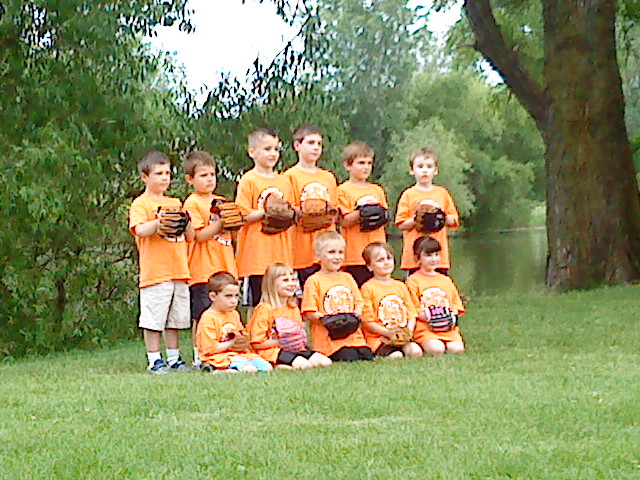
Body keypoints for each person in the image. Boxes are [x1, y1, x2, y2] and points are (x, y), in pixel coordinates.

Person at [128, 151, 194, 373]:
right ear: (144, 177)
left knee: (175, 319)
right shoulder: (141, 203)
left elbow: (190, 236)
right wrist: (158, 222)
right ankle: (154, 359)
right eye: (158, 173)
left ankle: (174, 357)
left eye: (167, 173)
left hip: (178, 269)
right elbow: (140, 230)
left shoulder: (175, 202)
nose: (164, 178)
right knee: (154, 319)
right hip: (156, 271)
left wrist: (187, 220)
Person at [183, 150, 237, 367]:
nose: (209, 180)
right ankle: (200, 353)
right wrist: (220, 222)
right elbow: (198, 235)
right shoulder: (192, 203)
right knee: (203, 313)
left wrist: (235, 222)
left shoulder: (221, 201)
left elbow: (233, 235)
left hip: (225, 265)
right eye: (203, 175)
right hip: (203, 269)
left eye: (212, 174)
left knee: (227, 311)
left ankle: (225, 348)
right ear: (190, 179)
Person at [235, 128, 294, 311]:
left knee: (281, 302)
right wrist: (265, 212)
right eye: (267, 149)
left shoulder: (284, 181)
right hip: (257, 256)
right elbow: (243, 214)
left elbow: (290, 213)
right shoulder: (249, 180)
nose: (273, 154)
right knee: (259, 304)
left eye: (276, 149)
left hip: (281, 253)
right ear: (252, 152)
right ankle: (255, 330)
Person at [301, 232, 374, 362]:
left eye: (340, 252)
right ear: (318, 256)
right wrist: (331, 321)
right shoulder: (313, 281)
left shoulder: (348, 277)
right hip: (329, 339)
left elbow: (358, 302)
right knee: (348, 356)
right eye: (331, 252)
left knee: (366, 355)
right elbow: (310, 312)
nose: (337, 257)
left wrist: (353, 317)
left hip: (353, 335)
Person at [283, 124, 338, 288]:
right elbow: (288, 212)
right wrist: (306, 213)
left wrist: (325, 214)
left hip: (327, 250)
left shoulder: (328, 177)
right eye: (311, 143)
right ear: (297, 145)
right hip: (301, 250)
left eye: (319, 144)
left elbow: (334, 211)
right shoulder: (289, 177)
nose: (316, 148)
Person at [247, 263, 332, 369]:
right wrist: (282, 342)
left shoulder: (293, 308)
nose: (292, 284)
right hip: (271, 350)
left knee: (325, 362)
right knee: (304, 365)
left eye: (293, 280)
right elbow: (256, 343)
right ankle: (277, 364)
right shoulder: (265, 309)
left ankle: (286, 363)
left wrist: (298, 341)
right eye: (285, 280)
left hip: (293, 349)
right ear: (272, 284)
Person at [395, 148, 459, 277]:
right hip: (414, 258)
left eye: (429, 166)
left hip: (438, 259)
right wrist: (417, 219)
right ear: (412, 170)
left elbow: (453, 221)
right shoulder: (408, 194)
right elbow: (401, 224)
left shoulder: (442, 193)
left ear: (435, 170)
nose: (424, 170)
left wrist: (440, 217)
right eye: (420, 166)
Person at [196, 272, 273, 373]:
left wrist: (244, 339)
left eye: (236, 296)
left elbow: (241, 335)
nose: (233, 301)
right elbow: (210, 349)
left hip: (238, 354)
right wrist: (232, 343)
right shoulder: (208, 318)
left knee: (266, 367)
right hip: (218, 356)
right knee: (249, 369)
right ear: (213, 296)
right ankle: (217, 370)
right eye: (228, 296)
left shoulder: (234, 314)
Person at [337, 141, 388, 287]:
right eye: (361, 163)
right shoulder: (342, 190)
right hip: (354, 256)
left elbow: (384, 217)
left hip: (377, 254)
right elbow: (344, 221)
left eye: (369, 163)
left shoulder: (377, 190)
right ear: (348, 165)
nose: (366, 167)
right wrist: (362, 212)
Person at [360, 242, 422, 359]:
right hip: (380, 338)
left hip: (402, 335)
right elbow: (367, 321)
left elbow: (411, 314)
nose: (386, 262)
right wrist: (389, 333)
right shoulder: (367, 288)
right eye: (380, 260)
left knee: (415, 351)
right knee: (396, 356)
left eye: (389, 258)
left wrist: (408, 332)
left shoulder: (400, 286)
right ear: (369, 266)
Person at [406, 236, 465, 355]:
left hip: (447, 328)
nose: (434, 259)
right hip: (425, 328)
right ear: (417, 258)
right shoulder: (413, 280)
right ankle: (423, 342)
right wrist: (429, 317)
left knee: (457, 349)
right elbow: (413, 308)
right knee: (436, 349)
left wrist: (450, 315)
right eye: (428, 255)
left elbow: (455, 304)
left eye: (437, 255)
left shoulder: (446, 280)